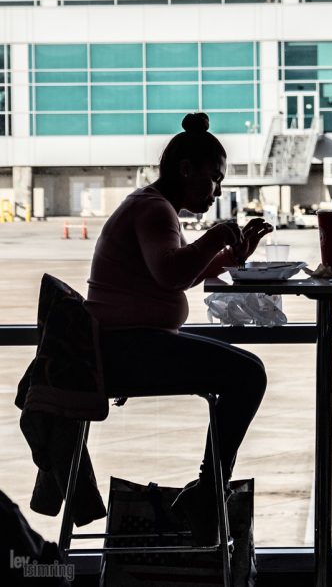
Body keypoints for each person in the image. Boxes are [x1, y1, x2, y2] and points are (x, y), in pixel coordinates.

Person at [85, 112, 273, 544]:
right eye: (214, 179)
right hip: (126, 348)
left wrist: (229, 257)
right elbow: (170, 275)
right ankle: (209, 492)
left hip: (123, 345)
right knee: (248, 374)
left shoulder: (149, 204)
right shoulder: (154, 209)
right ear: (186, 170)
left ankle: (208, 491)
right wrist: (215, 237)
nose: (218, 191)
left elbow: (171, 274)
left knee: (243, 371)